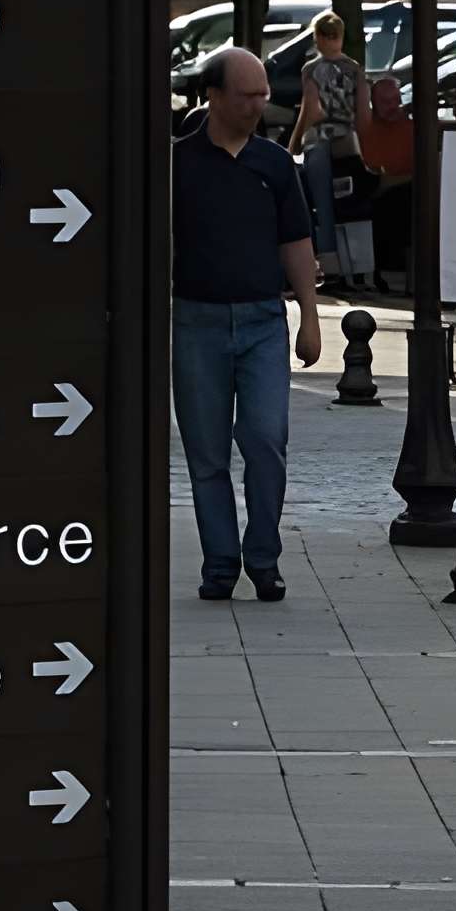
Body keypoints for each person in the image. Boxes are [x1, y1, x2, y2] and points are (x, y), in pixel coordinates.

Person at [174, 45, 321, 603]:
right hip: (195, 321)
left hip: (263, 321)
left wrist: (309, 316)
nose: (260, 103)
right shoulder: (178, 163)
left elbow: (297, 242)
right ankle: (219, 564)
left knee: (265, 440)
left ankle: (264, 556)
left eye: (264, 93)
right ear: (213, 96)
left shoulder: (275, 164)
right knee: (206, 452)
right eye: (247, 95)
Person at [286, 12, 363, 286]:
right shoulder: (355, 68)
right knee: (350, 204)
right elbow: (362, 112)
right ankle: (355, 263)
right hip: (348, 142)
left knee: (320, 205)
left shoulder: (311, 69)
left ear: (317, 37)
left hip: (318, 141)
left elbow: (311, 110)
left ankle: (327, 265)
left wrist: (293, 144)